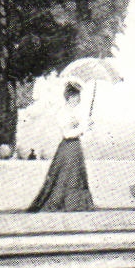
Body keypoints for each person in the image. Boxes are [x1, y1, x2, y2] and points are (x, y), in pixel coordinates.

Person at [27, 81, 94, 212]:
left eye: (78, 97)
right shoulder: (62, 113)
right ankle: (62, 203)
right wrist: (83, 127)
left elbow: (79, 129)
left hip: (76, 148)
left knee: (77, 175)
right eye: (75, 97)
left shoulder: (76, 112)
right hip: (67, 148)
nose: (78, 100)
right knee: (63, 176)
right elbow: (67, 134)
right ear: (69, 97)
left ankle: (76, 204)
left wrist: (86, 125)